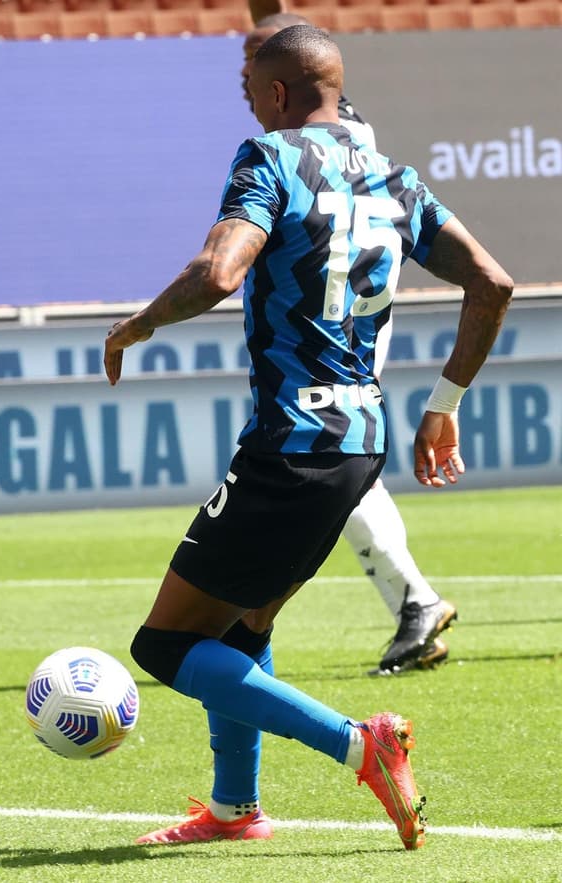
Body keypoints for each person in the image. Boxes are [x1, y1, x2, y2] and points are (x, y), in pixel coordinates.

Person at [104, 26, 511, 848]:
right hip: (359, 444)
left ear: (280, 94)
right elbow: (491, 281)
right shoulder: (396, 182)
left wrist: (140, 323)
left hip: (290, 442)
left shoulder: (269, 160)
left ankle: (362, 744)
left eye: (250, 84)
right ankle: (234, 808)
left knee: (167, 643)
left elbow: (221, 271)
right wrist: (446, 401)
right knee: (244, 626)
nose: (246, 98)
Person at [242, 12, 458, 676]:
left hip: (343, 311)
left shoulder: (323, 132)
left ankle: (414, 600)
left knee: (329, 444)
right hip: (339, 305)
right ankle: (412, 600)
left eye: (252, 61)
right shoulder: (311, 120)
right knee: (338, 450)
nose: (242, 77)